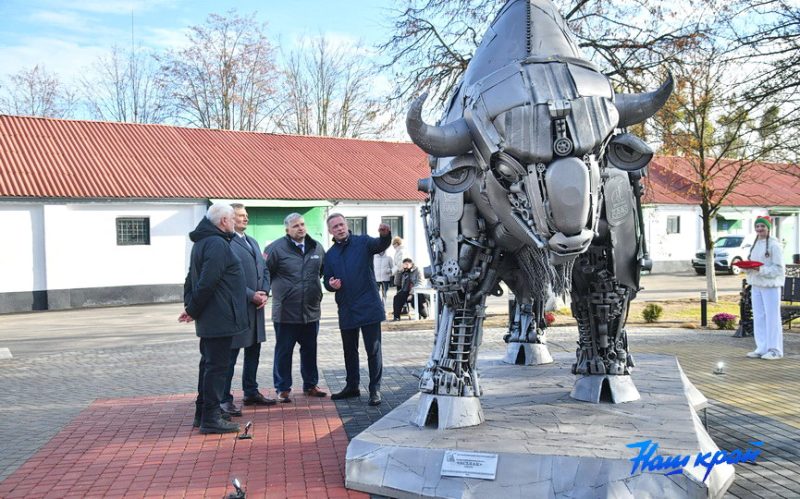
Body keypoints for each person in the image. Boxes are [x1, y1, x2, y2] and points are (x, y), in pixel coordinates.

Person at [179, 203, 247, 434]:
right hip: (219, 317)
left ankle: (202, 413)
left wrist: (191, 307)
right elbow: (207, 281)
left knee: (208, 366)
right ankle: (211, 418)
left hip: (212, 316)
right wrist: (193, 309)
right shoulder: (217, 243)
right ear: (223, 221)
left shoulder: (202, 242)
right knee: (216, 369)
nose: (235, 223)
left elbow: (190, 279)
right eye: (232, 219)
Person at [323, 214, 391, 406]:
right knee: (349, 351)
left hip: (368, 304)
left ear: (347, 225)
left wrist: (386, 236)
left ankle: (374, 389)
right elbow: (326, 279)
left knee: (373, 350)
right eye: (335, 227)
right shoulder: (330, 255)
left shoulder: (363, 242)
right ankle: (352, 386)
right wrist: (331, 284)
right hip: (346, 307)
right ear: (330, 231)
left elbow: (380, 245)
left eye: (341, 224)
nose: (339, 228)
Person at [265, 213, 328, 403]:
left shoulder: (317, 247)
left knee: (310, 350)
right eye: (295, 226)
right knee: (284, 351)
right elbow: (265, 274)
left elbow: (323, 271)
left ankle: (310, 385)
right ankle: (283, 388)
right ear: (287, 230)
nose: (300, 228)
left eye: (302, 224)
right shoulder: (275, 249)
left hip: (310, 311)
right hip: (286, 312)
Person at [220, 204, 276, 417]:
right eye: (241, 215)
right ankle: (224, 398)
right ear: (229, 218)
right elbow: (227, 277)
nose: (246, 219)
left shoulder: (252, 241)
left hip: (256, 309)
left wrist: (264, 291)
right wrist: (250, 294)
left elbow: (265, 270)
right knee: (230, 356)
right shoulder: (226, 242)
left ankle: (250, 391)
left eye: (247, 215)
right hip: (237, 308)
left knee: (254, 351)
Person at [744, 215, 785, 360]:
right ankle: (761, 347)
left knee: (772, 317)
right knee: (759, 316)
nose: (759, 229)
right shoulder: (755, 244)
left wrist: (760, 270)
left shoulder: (774, 245)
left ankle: (775, 349)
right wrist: (747, 268)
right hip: (756, 285)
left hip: (770, 286)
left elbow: (778, 269)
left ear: (768, 228)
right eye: (757, 226)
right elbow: (753, 263)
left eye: (762, 226)